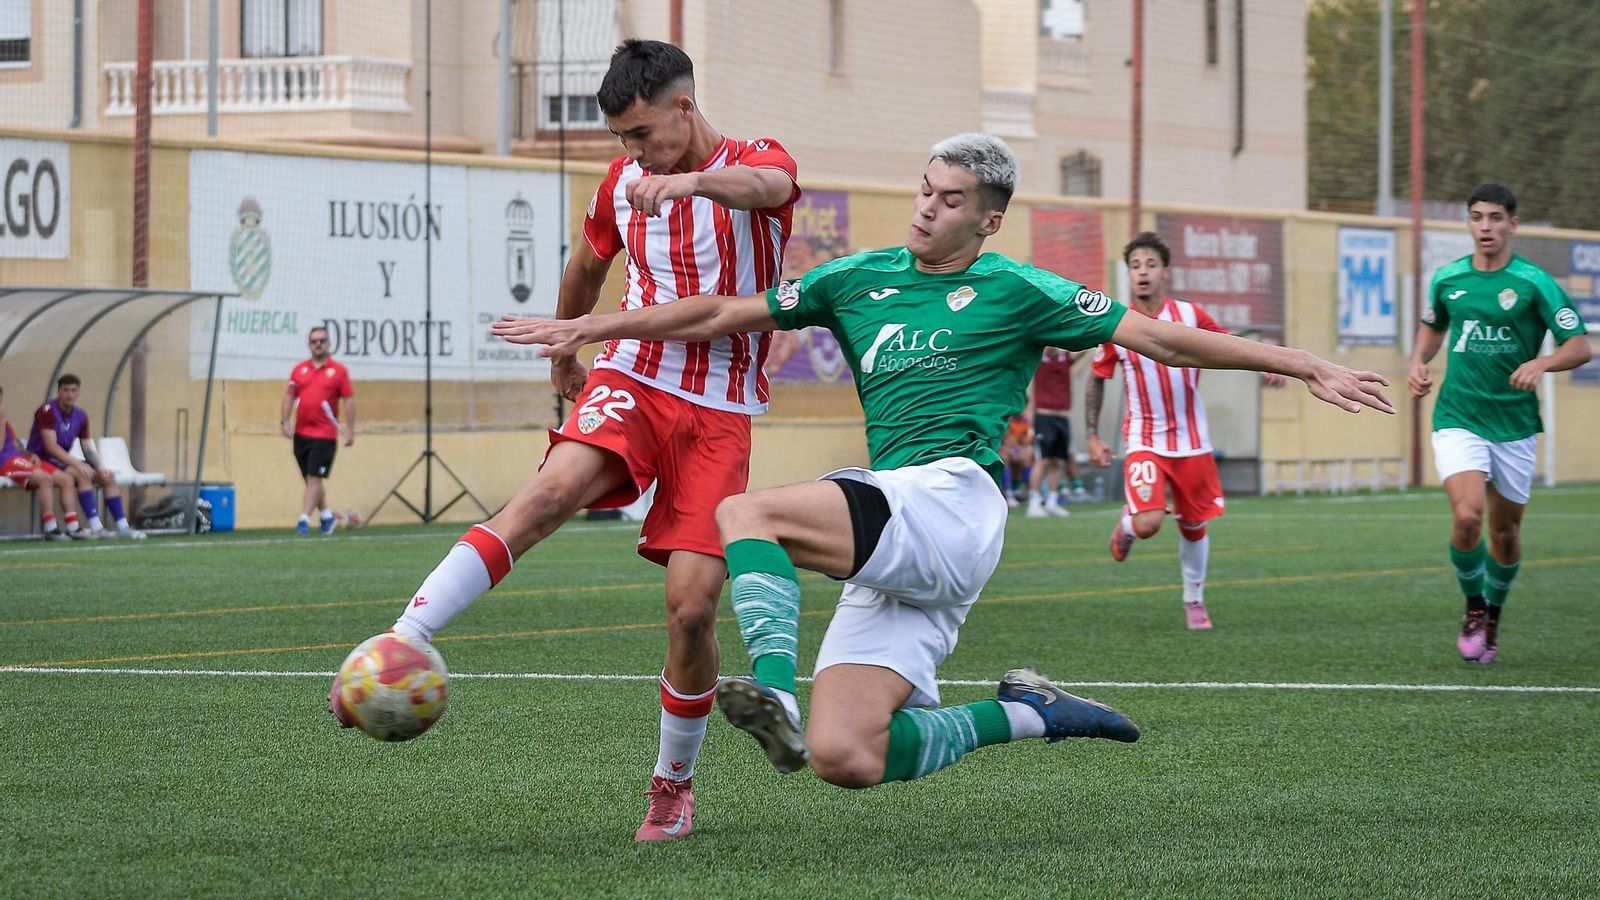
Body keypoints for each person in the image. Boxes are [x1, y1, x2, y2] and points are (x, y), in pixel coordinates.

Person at [493, 133, 1393, 790]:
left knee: (742, 514)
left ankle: (771, 693)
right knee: (850, 759)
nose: (928, 207)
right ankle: (1034, 711)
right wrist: (592, 326)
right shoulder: (856, 277)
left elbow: (1161, 338)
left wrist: (1306, 362)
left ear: (988, 220)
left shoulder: (1019, 287)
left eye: (951, 199)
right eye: (924, 190)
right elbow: (718, 314)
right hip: (899, 531)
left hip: (952, 501)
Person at [329, 39, 801, 842]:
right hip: (633, 376)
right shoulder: (623, 183)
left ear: (684, 110)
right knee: (547, 495)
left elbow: (773, 186)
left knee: (691, 611)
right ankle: (402, 636)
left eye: (643, 135)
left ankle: (671, 787)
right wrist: (566, 356)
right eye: (621, 139)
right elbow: (585, 268)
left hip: (719, 408)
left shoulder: (752, 160)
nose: (632, 153)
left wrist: (687, 180)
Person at [1407, 183, 1591, 664]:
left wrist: (1543, 364)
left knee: (1505, 534)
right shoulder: (1448, 278)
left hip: (1514, 424)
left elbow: (1580, 345)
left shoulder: (1535, 282)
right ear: (1468, 223)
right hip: (1458, 416)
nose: (1485, 226)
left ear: (1512, 223)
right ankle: (1473, 607)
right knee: (1467, 517)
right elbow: (1433, 325)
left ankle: (1493, 618)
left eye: (1494, 218)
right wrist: (1418, 361)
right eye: (1476, 217)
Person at [1083, 232, 1286, 631]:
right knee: (1149, 524)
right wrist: (1092, 433)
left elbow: (1226, 344)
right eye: (1135, 266)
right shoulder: (1117, 324)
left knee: (1194, 526)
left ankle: (1194, 600)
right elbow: (1097, 376)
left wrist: (1267, 363)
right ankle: (1128, 524)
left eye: (1150, 265)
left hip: (1193, 442)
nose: (1142, 273)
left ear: (1166, 272)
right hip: (1143, 438)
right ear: (1128, 274)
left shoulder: (1190, 317)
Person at [27, 373, 144, 539]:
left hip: (63, 461)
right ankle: (96, 527)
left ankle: (123, 526)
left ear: (78, 392)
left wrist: (100, 466)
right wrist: (78, 464)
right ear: (58, 391)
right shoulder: (47, 410)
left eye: (73, 390)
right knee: (82, 473)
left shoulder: (81, 415)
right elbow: (51, 447)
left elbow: (87, 448)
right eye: (65, 390)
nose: (69, 394)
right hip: (43, 460)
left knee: (108, 476)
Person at [281, 325, 355, 535]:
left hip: (324, 435)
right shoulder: (299, 370)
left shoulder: (338, 371)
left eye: (322, 340)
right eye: (314, 341)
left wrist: (349, 429)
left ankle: (303, 519)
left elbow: (349, 401)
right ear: (309, 345)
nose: (318, 344)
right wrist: (284, 420)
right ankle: (326, 515)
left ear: (329, 344)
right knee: (311, 479)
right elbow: (289, 395)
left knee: (314, 477)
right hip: (301, 433)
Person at [1, 384, 87, 540]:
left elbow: (13, 444)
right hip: (4, 462)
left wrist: (29, 453)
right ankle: (50, 528)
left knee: (66, 479)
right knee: (45, 478)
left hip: (16, 458)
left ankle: (73, 527)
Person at [1025, 346, 1088, 517]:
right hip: (1044, 416)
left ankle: (1052, 501)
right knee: (1042, 460)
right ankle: (1034, 501)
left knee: (1057, 461)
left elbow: (1085, 348)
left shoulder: (1066, 357)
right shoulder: (1039, 359)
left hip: (1062, 417)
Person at [998, 414, 1034, 508]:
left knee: (1025, 457)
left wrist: (1018, 450)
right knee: (1004, 457)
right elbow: (1005, 440)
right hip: (999, 449)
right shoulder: (1005, 419)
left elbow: (1026, 441)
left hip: (1014, 449)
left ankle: (1031, 493)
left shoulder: (1025, 421)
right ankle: (1008, 493)